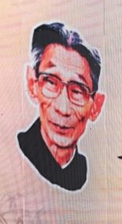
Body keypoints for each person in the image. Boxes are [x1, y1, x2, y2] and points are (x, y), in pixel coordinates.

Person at [17, 22, 105, 192]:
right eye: (51, 82)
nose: (63, 109)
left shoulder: (84, 174)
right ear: (31, 83)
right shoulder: (15, 155)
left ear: (96, 106)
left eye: (78, 91)